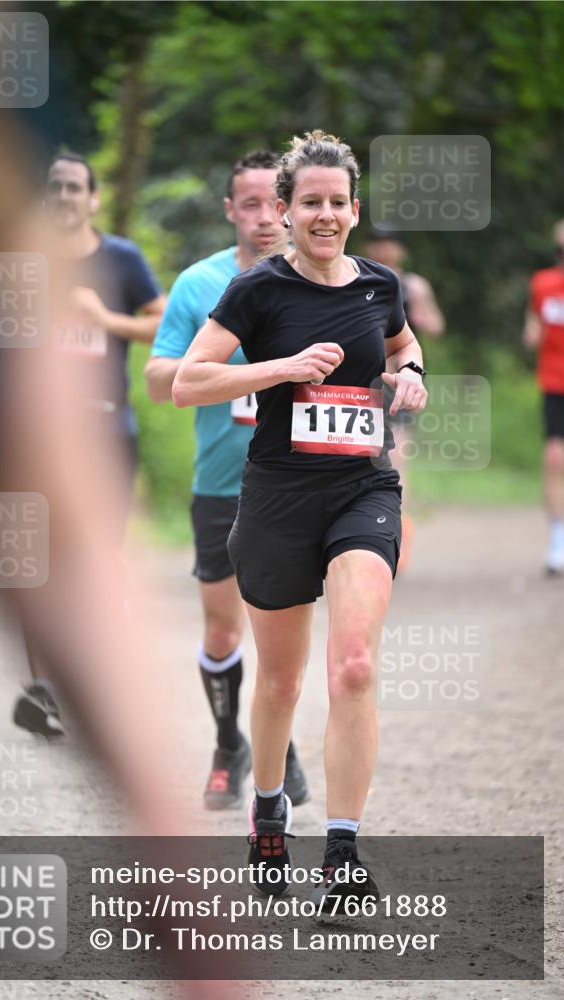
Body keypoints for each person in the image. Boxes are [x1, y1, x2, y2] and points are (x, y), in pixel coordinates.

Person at [172, 131, 428, 905]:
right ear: (283, 211)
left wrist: (410, 375)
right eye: (309, 201)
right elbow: (188, 381)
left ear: (355, 209)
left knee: (352, 665)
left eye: (336, 202)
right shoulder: (256, 291)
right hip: (278, 496)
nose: (324, 214)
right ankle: (267, 809)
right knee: (280, 680)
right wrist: (280, 368)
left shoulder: (379, 285)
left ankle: (342, 852)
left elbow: (402, 345)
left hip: (361, 489)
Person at [144, 151, 309, 811]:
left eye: (275, 203)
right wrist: (235, 365)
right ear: (229, 210)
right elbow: (159, 381)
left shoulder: (321, 279)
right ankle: (226, 746)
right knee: (222, 630)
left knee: (279, 630)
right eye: (250, 204)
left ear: (291, 207)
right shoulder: (199, 283)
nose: (265, 217)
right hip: (220, 483)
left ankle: (280, 750)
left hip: (296, 483)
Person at [13, 151, 166, 737]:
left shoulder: (121, 259)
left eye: (74, 187)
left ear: (93, 198)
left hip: (106, 429)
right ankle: (42, 690)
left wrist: (104, 319)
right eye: (53, 186)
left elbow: (164, 323)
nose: (63, 196)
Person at [365, 229, 445, 571]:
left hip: (398, 384)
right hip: (363, 384)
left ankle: (397, 533)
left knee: (396, 461)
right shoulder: (360, 278)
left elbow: (437, 326)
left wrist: (424, 318)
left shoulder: (414, 287)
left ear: (400, 249)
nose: (383, 248)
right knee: (363, 459)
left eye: (389, 242)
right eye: (377, 241)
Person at [523, 219, 564, 575]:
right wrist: (531, 334)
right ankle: (558, 539)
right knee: (554, 458)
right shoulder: (543, 284)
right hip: (555, 382)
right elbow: (533, 326)